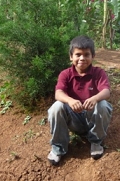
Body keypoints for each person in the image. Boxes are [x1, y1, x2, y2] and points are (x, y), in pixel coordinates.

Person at [47, 36, 112, 165]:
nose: (82, 58)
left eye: (86, 54)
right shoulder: (65, 74)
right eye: (78, 54)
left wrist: (95, 98)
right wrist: (70, 101)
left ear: (92, 56)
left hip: (92, 119)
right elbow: (58, 93)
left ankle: (96, 141)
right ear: (71, 57)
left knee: (103, 105)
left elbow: (106, 91)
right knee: (56, 107)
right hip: (74, 120)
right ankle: (58, 148)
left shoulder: (98, 73)